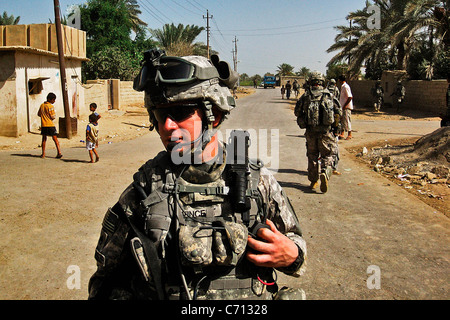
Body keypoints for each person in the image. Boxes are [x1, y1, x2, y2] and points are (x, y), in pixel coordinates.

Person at [88, 49, 307, 300]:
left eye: (181, 113)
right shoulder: (144, 189)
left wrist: (292, 255)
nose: (168, 125)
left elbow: (296, 247)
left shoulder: (257, 181)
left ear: (215, 115)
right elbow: (105, 279)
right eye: (160, 114)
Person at [294, 71, 342, 193]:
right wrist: (336, 128)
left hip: (310, 132)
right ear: (322, 82)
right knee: (328, 155)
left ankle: (313, 181)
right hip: (326, 132)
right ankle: (325, 172)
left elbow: (297, 112)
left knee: (312, 156)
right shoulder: (329, 95)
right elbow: (338, 112)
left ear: (310, 82)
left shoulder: (306, 96)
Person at [37, 92, 62, 159]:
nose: (54, 101)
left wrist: (44, 116)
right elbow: (53, 116)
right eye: (53, 100)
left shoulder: (42, 105)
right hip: (50, 124)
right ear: (50, 99)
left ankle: (43, 154)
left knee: (44, 139)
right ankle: (59, 152)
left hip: (44, 124)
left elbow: (39, 114)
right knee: (55, 139)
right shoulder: (50, 106)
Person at [337, 75, 353, 140]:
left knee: (347, 120)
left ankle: (350, 134)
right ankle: (342, 134)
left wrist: (345, 105)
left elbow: (350, 97)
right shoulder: (342, 87)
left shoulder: (346, 87)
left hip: (346, 107)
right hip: (342, 107)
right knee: (342, 120)